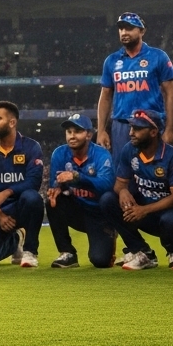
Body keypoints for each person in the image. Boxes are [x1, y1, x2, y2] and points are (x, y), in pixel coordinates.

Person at [101, 109, 173, 271]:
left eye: (137, 129)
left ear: (153, 132)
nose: (131, 133)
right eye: (131, 128)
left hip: (171, 212)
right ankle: (141, 251)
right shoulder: (129, 149)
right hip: (144, 211)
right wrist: (123, 191)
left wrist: (143, 210)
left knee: (171, 220)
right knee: (108, 200)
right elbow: (119, 184)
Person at [0, 101, 45, 267]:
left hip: (22, 206)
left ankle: (30, 251)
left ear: (12, 122)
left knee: (33, 198)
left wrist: (7, 192)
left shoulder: (31, 147)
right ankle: (15, 240)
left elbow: (34, 182)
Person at [97, 13, 173, 155]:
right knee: (123, 174)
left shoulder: (158, 56)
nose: (124, 32)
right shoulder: (111, 60)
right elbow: (105, 96)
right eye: (121, 29)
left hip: (151, 125)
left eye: (129, 28)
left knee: (156, 172)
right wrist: (101, 130)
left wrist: (170, 129)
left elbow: (171, 93)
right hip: (121, 125)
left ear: (142, 31)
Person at [44, 114, 113, 268]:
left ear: (89, 134)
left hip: (98, 215)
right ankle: (67, 253)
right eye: (69, 132)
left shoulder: (102, 155)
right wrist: (54, 192)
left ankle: (110, 233)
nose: (72, 136)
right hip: (77, 211)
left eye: (77, 131)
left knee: (100, 261)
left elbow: (107, 185)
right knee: (52, 202)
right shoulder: (59, 154)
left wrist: (77, 177)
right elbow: (55, 185)